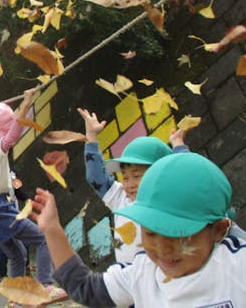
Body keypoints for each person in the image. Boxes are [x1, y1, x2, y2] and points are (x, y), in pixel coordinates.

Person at [31, 152, 246, 307]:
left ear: (219, 230)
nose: (163, 249)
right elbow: (87, 289)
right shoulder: (141, 272)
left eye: (180, 235)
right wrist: (53, 230)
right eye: (151, 232)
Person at [0, 90, 67, 301]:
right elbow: (14, 134)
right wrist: (26, 103)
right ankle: (45, 285)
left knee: (18, 253)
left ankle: (16, 300)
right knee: (44, 238)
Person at [79, 108, 187, 263]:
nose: (129, 184)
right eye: (125, 177)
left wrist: (178, 145)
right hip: (132, 281)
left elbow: (187, 174)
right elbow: (95, 176)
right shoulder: (121, 200)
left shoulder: (166, 197)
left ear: (159, 174)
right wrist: (91, 136)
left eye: (136, 176)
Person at [0, 171, 31, 287]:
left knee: (23, 242)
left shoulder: (12, 173)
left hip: (15, 215)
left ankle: (19, 274)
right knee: (8, 245)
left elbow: (18, 191)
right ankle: (1, 275)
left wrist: (27, 199)